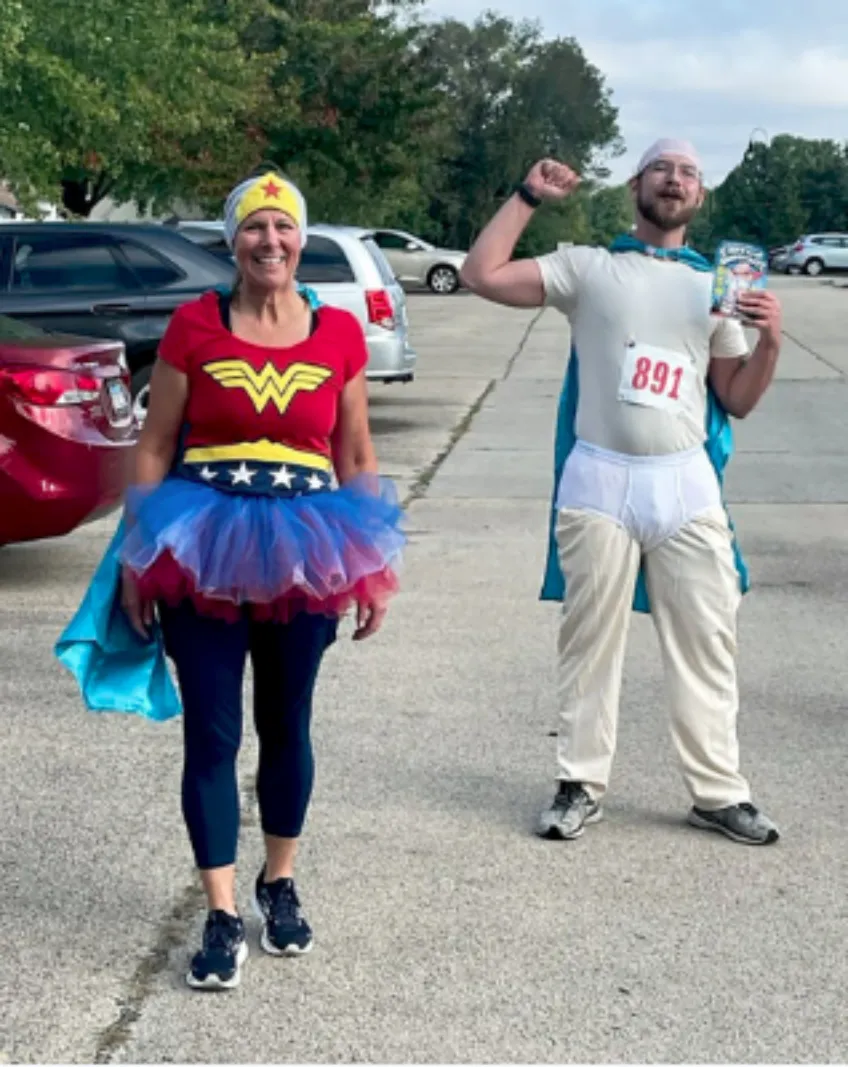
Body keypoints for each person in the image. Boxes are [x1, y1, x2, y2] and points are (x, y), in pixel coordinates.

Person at [116, 167, 404, 989]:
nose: (269, 242)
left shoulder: (338, 330)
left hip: (306, 551)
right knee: (210, 732)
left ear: (301, 238)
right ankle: (218, 908)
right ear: (232, 239)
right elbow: (153, 445)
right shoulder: (191, 325)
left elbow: (353, 452)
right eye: (253, 228)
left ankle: (279, 883)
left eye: (282, 228)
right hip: (200, 547)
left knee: (288, 722)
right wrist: (139, 553)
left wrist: (373, 563)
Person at [459, 138, 782, 846]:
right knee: (589, 640)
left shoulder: (717, 287)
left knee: (708, 641)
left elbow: (737, 397)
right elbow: (479, 274)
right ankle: (579, 782)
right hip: (600, 477)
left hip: (685, 484)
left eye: (689, 172)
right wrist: (528, 196)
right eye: (663, 168)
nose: (675, 179)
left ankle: (719, 791)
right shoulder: (587, 267)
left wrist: (771, 342)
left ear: (700, 196)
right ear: (637, 184)